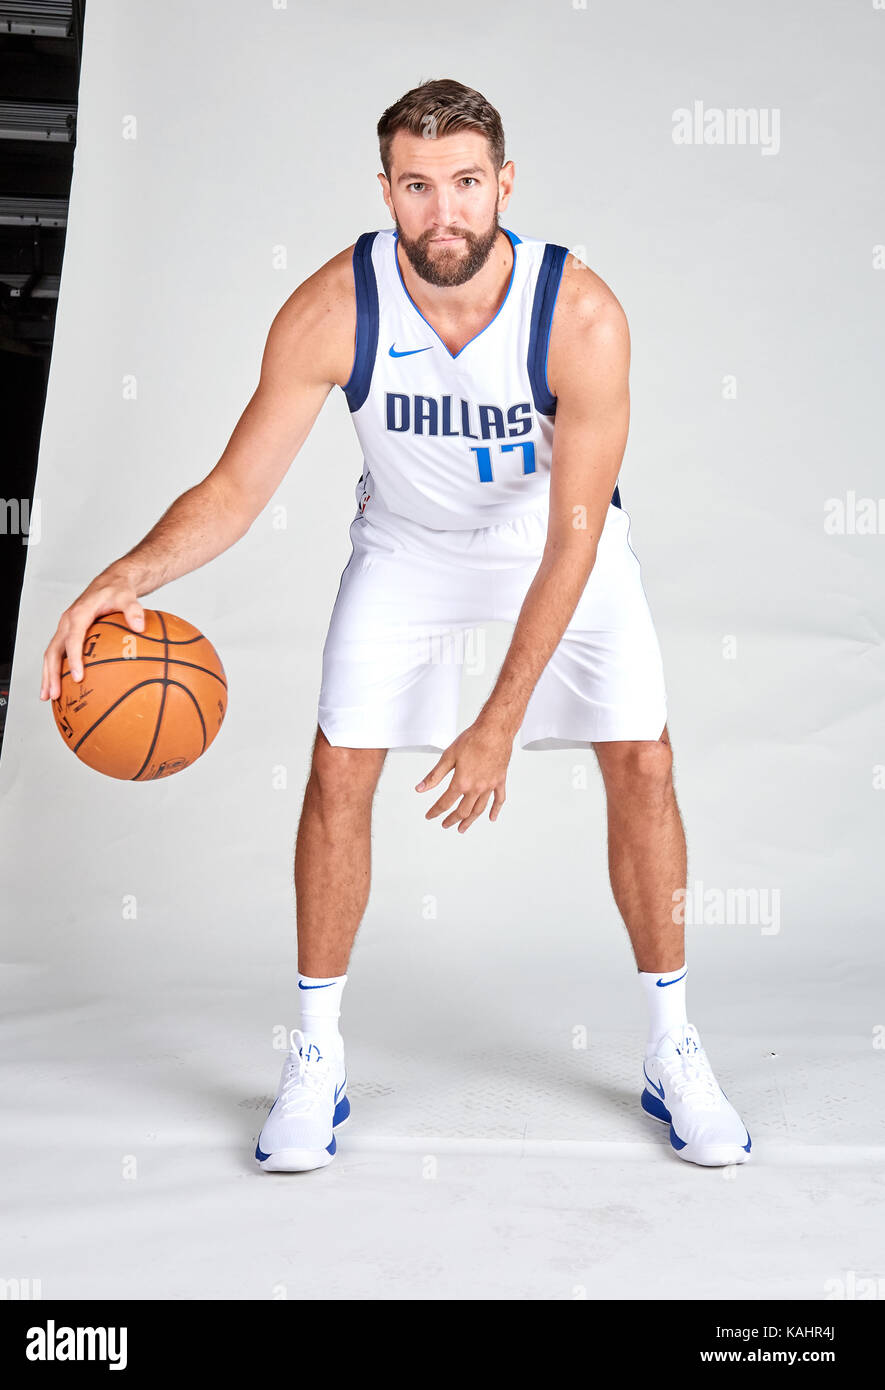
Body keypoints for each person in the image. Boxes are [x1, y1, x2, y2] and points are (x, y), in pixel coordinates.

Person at [41, 78, 751, 1175]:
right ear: (387, 193)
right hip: (410, 546)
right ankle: (315, 1057)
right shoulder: (336, 308)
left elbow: (574, 540)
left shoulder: (582, 316)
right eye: (418, 188)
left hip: (554, 541)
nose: (444, 212)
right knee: (338, 771)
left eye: (466, 184)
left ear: (504, 185)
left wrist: (497, 719)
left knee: (645, 761)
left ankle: (673, 1043)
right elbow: (236, 488)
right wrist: (123, 574)